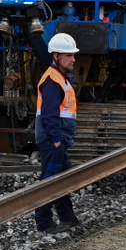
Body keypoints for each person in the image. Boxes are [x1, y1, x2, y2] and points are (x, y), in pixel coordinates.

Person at [33, 33, 83, 233]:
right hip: (53, 140)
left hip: (58, 139)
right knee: (50, 181)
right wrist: (55, 140)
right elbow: (49, 114)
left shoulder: (60, 78)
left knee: (60, 179)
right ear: (56, 56)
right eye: (68, 56)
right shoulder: (53, 81)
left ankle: (67, 217)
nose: (73, 59)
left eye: (73, 55)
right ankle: (44, 223)